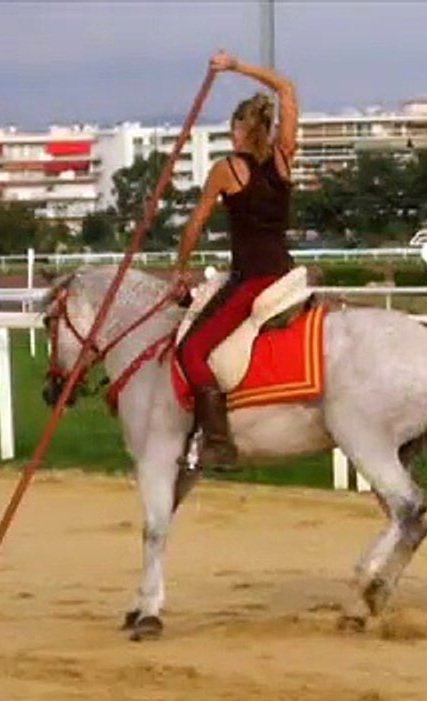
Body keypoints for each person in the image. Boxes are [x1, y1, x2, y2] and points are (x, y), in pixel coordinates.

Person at [174, 49, 298, 469]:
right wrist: (239, 67)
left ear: (241, 131)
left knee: (191, 351)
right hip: (286, 271)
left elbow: (195, 224)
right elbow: (286, 87)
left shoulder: (226, 169)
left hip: (253, 281)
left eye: (232, 128)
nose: (231, 136)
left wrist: (180, 268)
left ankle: (218, 439)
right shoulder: (284, 155)